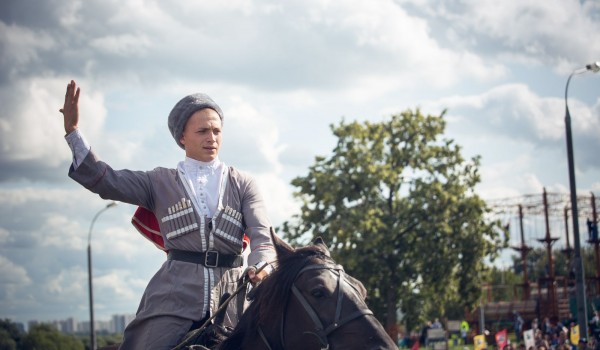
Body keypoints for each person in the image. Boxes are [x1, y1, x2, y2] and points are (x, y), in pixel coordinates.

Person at [60, 80, 277, 349]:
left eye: (217, 131)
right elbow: (106, 180)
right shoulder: (158, 181)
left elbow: (262, 236)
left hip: (233, 300)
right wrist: (73, 133)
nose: (212, 138)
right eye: (203, 131)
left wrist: (261, 266)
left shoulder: (244, 182)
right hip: (174, 300)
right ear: (182, 137)